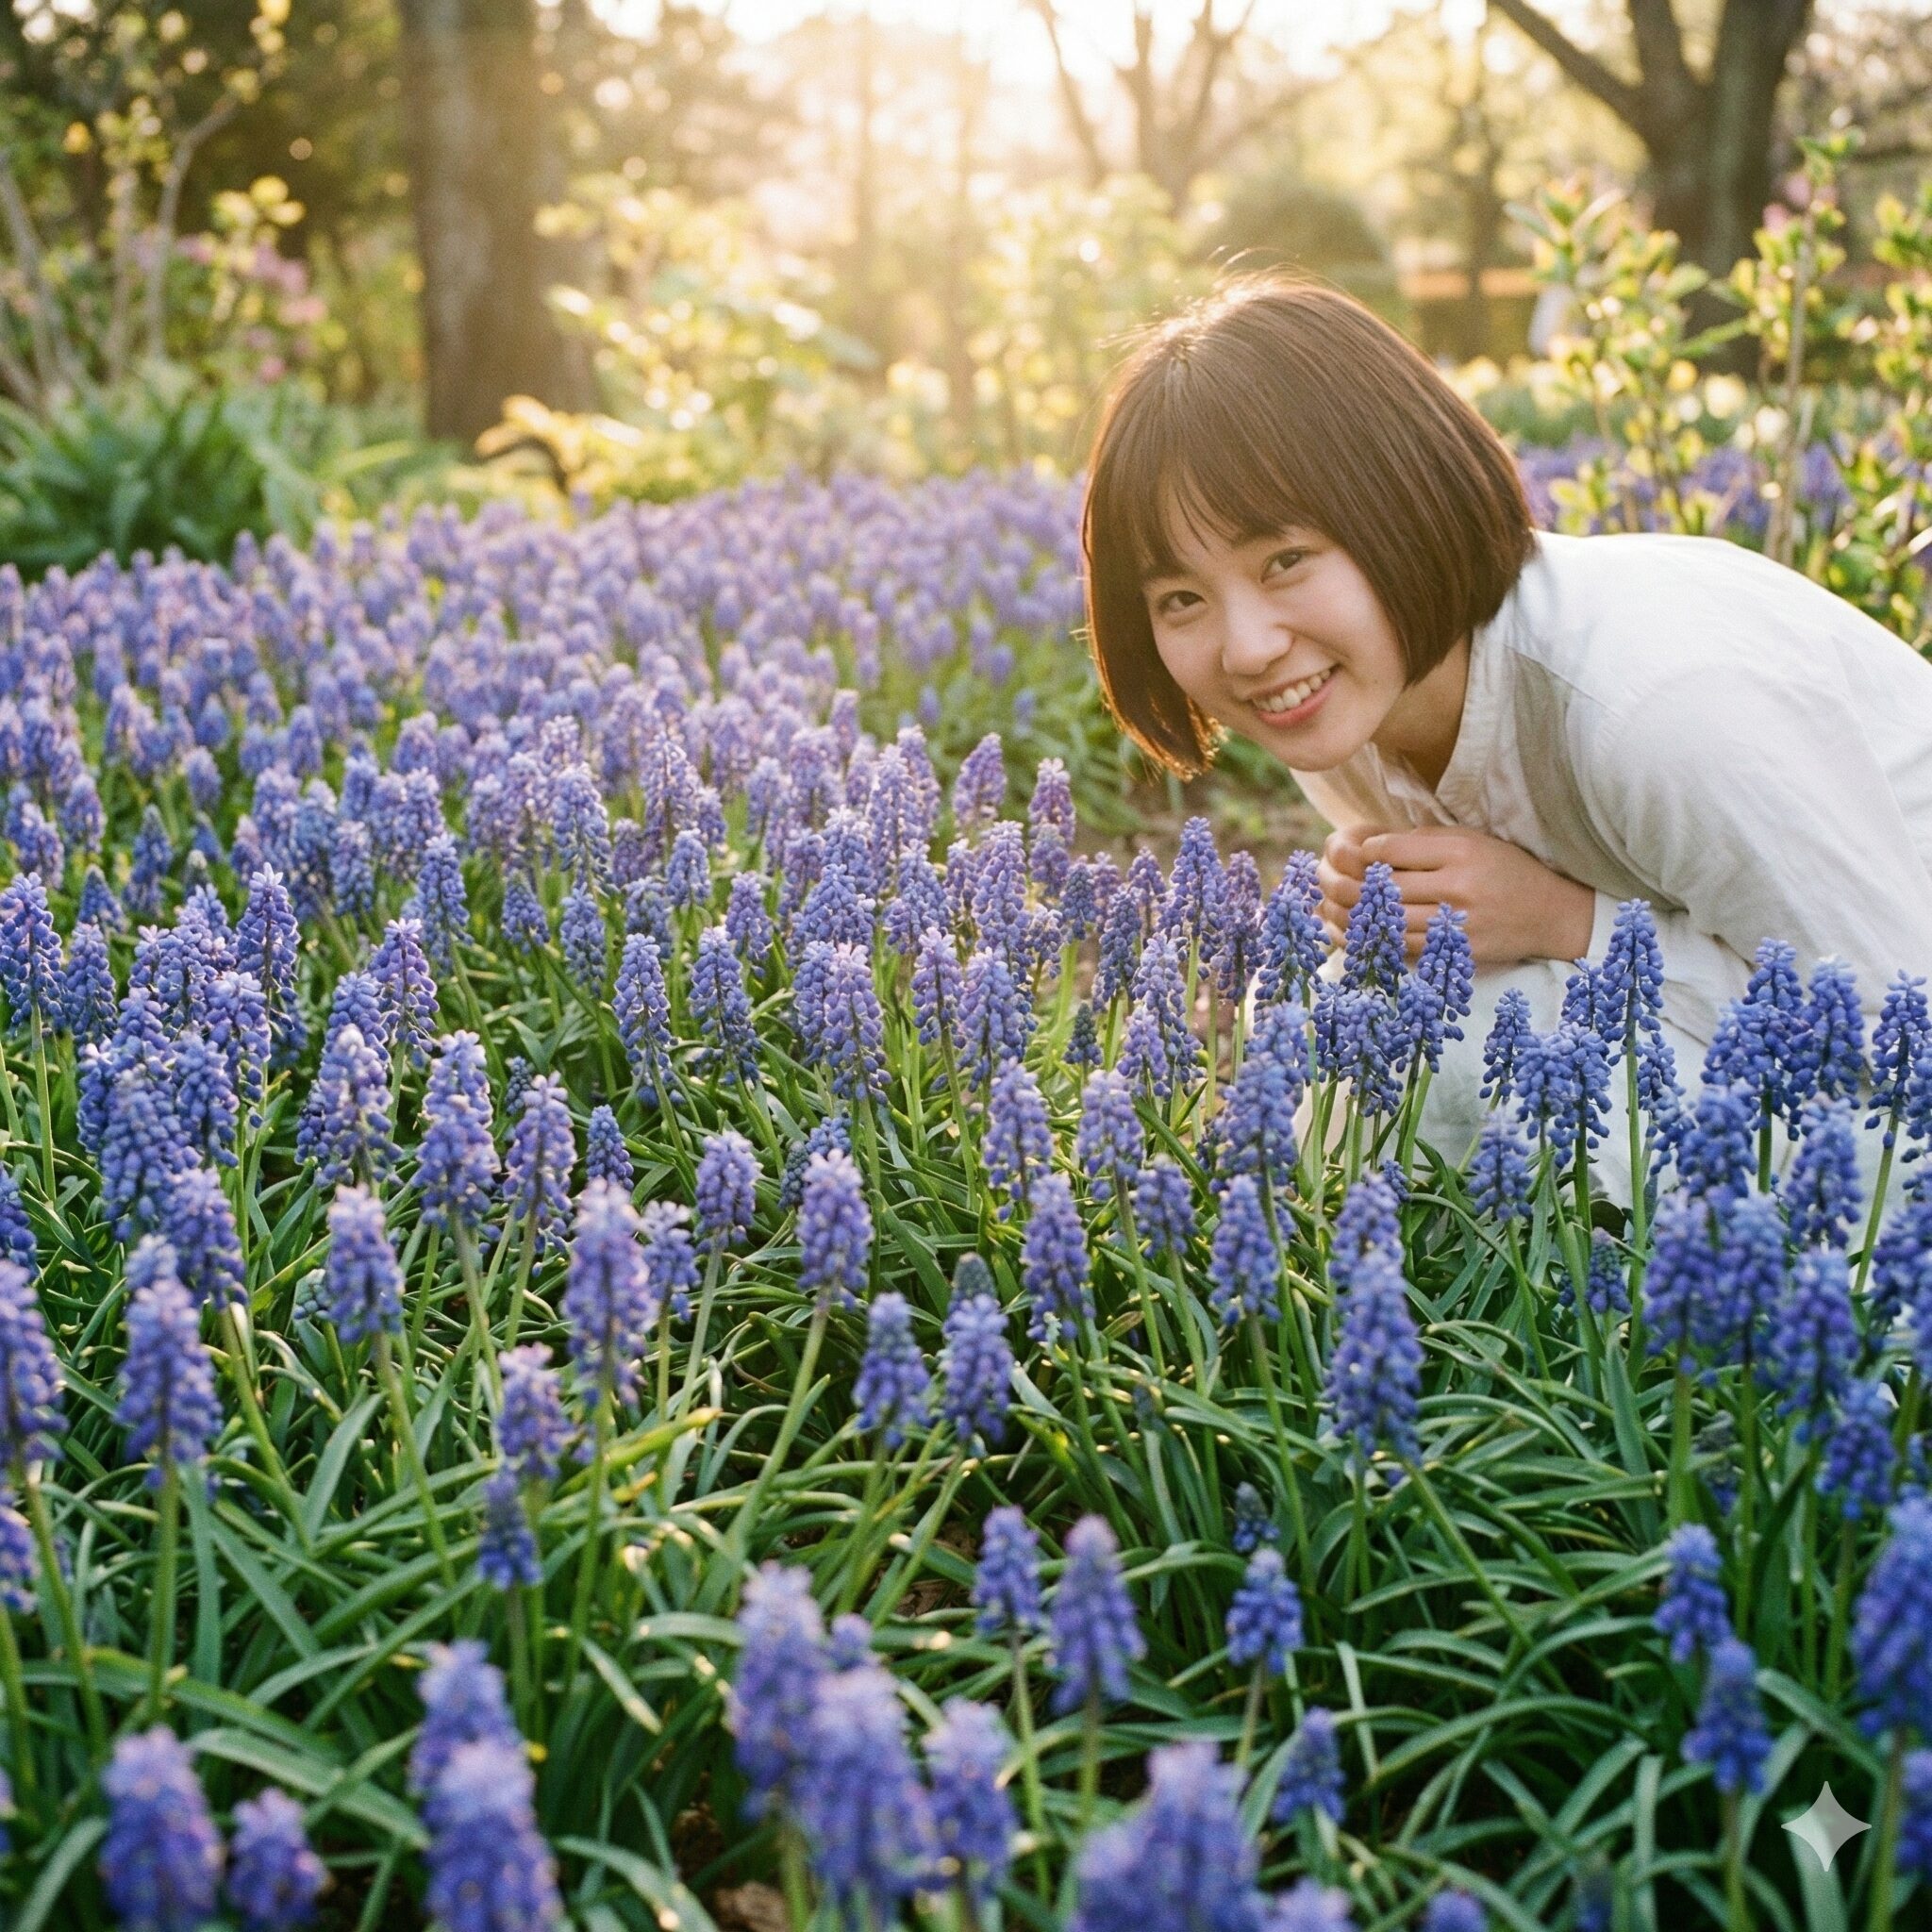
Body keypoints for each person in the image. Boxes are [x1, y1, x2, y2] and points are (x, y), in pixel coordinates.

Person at [1078, 275, 1932, 1201]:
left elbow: (1899, 1036)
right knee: (1352, 1015)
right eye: (1180, 599)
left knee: (1461, 1042)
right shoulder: (1352, 696)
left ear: (1398, 500)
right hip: (1753, 1076)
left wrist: (1565, 923)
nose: (1245, 648)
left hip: (1892, 1131)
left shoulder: (1653, 707)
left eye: (1284, 559)